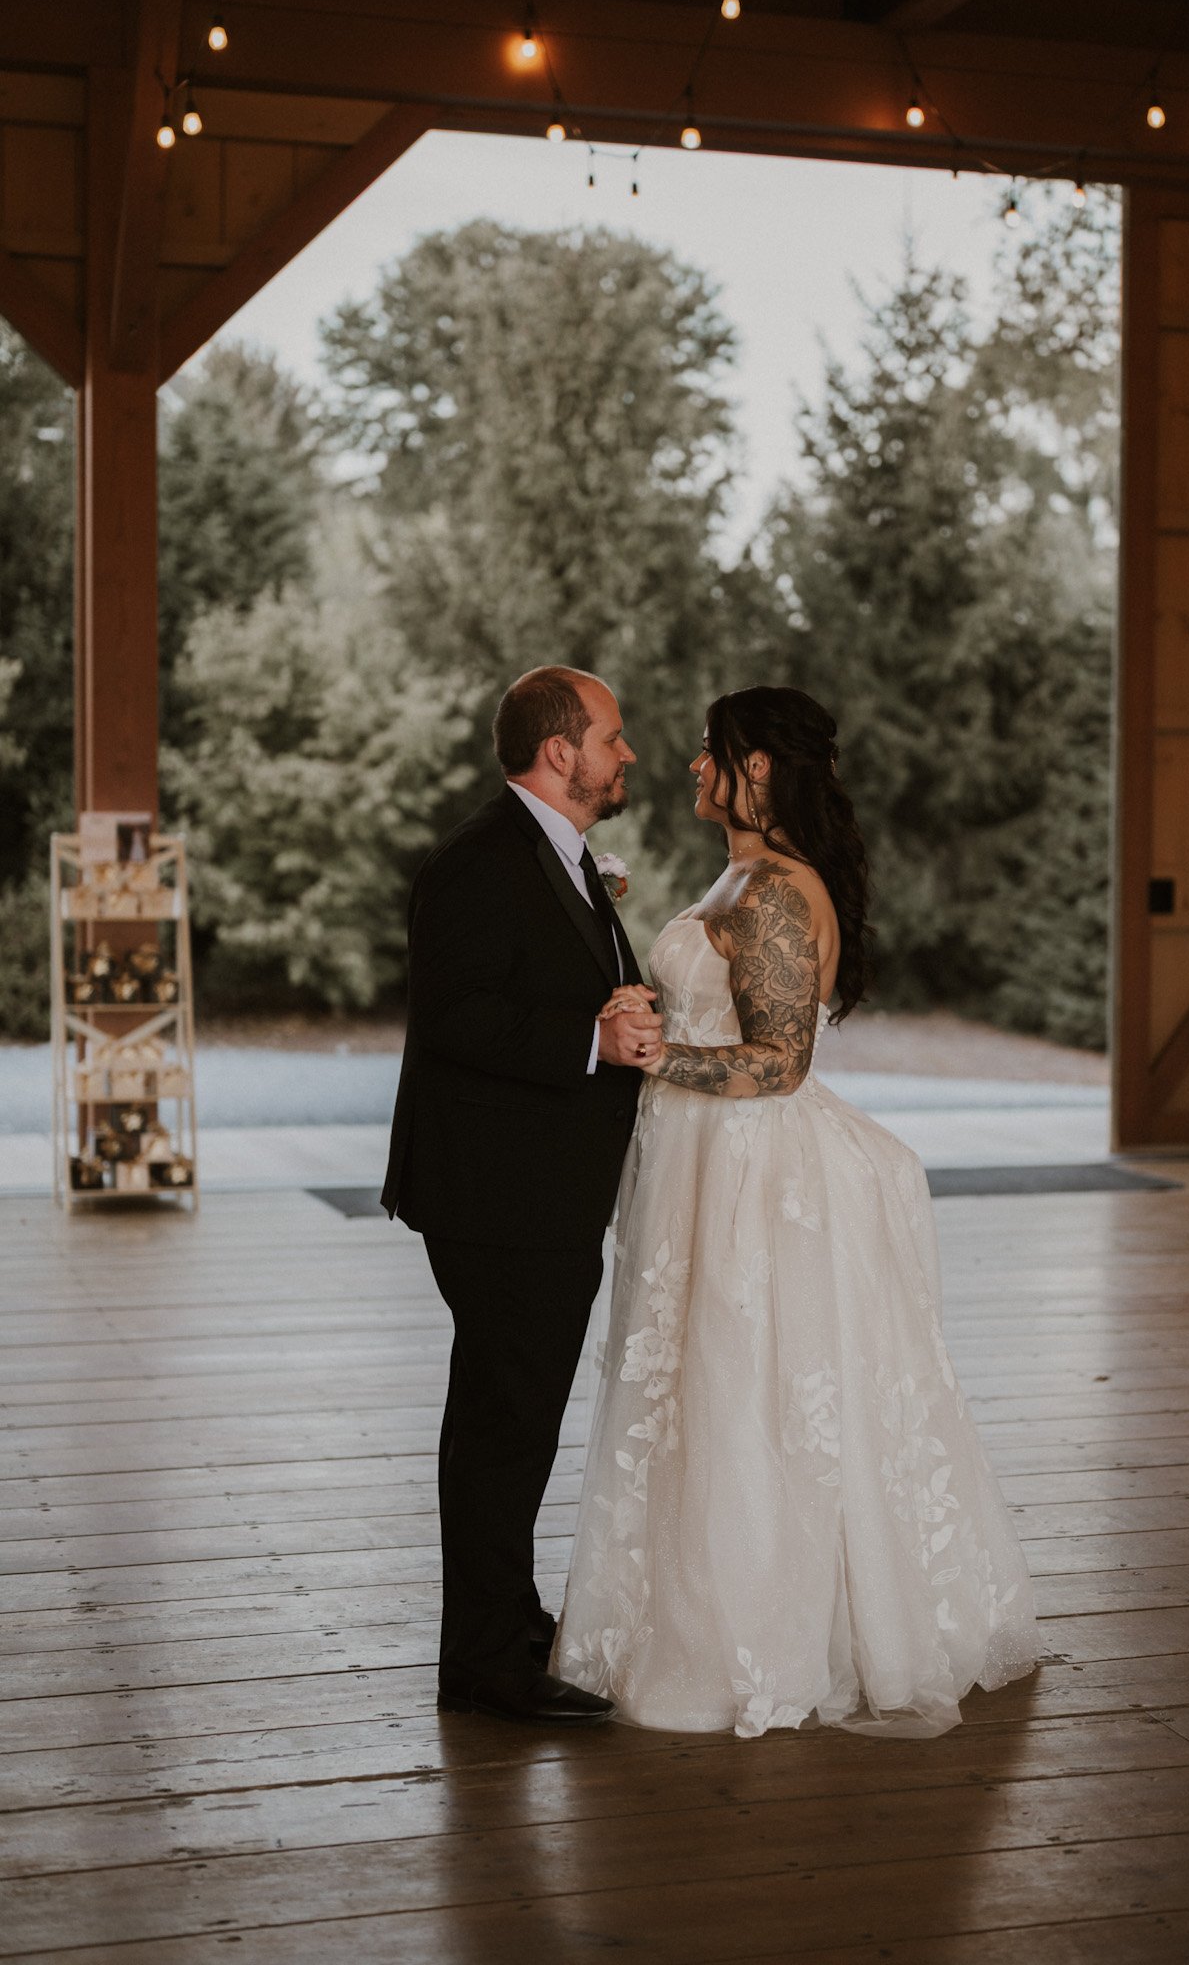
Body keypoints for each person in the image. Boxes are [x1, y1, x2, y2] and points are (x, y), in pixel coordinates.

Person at [552, 686, 1043, 1738]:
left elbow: (777, 1062)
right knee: (701, 1391)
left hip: (752, 1176)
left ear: (759, 766)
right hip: (702, 1158)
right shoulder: (742, 872)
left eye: (708, 751)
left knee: (746, 1392)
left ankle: (754, 1639)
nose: (689, 766)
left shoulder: (775, 889)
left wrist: (656, 1051)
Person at [382, 666, 662, 1725]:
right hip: (498, 1193)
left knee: (509, 1419)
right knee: (506, 1424)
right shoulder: (477, 861)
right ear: (560, 751)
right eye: (612, 737)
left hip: (535, 1189)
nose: (625, 753)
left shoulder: (558, 856)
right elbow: (452, 1016)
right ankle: (488, 1659)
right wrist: (588, 1038)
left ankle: (500, 1622)